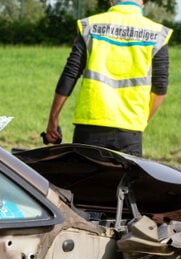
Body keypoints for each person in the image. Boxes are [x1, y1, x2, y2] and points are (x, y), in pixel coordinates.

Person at [44, 0, 172, 157]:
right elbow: (160, 88)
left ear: (112, 1)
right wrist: (140, 122)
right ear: (142, 3)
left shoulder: (91, 25)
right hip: (130, 131)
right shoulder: (157, 33)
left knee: (85, 181)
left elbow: (70, 73)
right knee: (124, 181)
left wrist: (53, 118)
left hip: (90, 125)